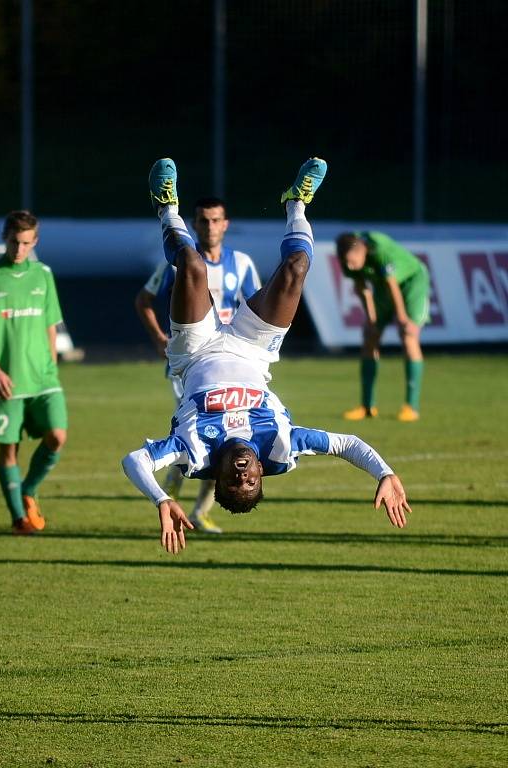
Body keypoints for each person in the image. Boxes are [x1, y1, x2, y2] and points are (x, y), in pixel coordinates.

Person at [122, 157, 411, 554]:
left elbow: (134, 460)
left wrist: (162, 498)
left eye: (233, 481)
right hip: (253, 351)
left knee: (191, 265)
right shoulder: (281, 444)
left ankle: (166, 208)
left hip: (195, 352)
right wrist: (384, 472)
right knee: (294, 269)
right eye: (251, 481)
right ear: (262, 472)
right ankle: (296, 203)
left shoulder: (194, 450)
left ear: (217, 477)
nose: (242, 475)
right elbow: (346, 443)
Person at [135, 196, 261, 534]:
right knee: (196, 441)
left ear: (226, 224)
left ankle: (199, 512)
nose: (210, 227)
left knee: (222, 440)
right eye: (203, 221)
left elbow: (256, 310)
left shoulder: (243, 264)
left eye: (215, 220)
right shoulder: (178, 263)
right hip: (192, 368)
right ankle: (169, 501)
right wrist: (161, 338)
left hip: (229, 365)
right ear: (194, 225)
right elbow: (143, 301)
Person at [0, 210, 68, 534]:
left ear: (34, 241)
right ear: (4, 238)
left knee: (57, 436)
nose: (19, 249)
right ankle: (18, 519)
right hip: (6, 379)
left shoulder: (43, 275)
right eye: (14, 242)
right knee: (9, 448)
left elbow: (51, 324)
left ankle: (28, 489)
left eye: (26, 243)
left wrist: (51, 363)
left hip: (43, 378)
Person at [335, 231, 430, 422]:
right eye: (344, 262)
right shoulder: (348, 258)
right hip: (383, 288)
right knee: (370, 337)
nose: (348, 266)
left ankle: (411, 407)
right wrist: (370, 320)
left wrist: (402, 318)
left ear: (360, 250)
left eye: (350, 260)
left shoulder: (379, 248)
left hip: (412, 283)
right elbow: (363, 289)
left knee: (408, 336)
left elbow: (392, 283)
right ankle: (367, 406)